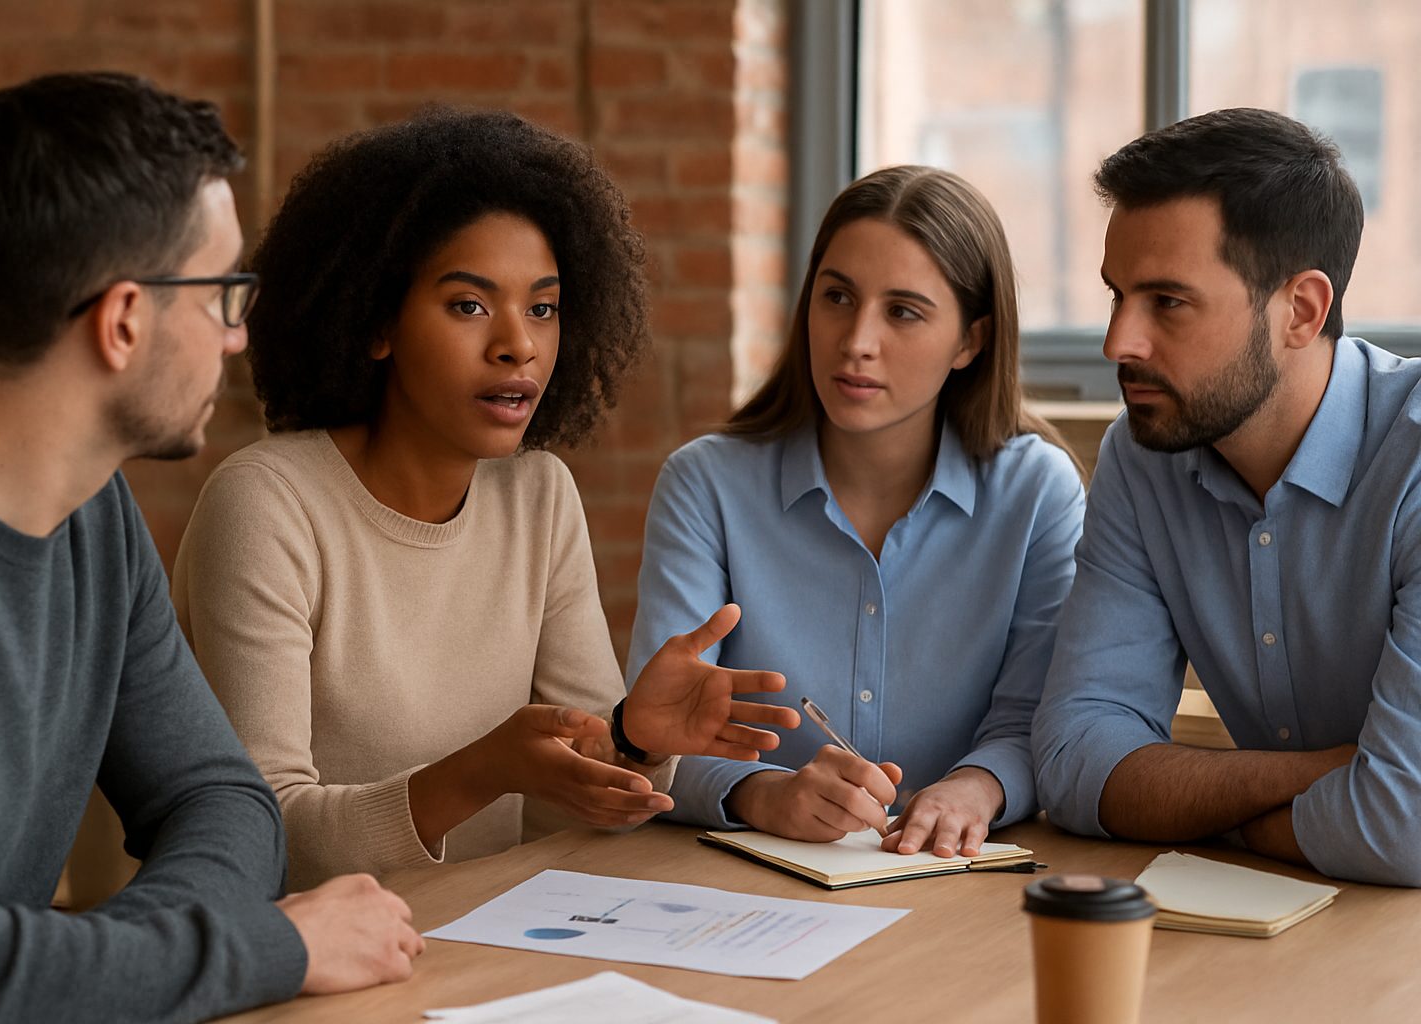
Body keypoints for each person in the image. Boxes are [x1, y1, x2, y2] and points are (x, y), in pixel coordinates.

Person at [0, 72, 425, 1023]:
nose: (236, 334)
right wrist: (272, 947)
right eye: (221, 292)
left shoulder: (93, 514)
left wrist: (123, 970)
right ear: (125, 319)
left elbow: (221, 800)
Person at [172, 107, 797, 890]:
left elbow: (568, 816)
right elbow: (262, 838)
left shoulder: (538, 497)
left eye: (542, 307)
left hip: (477, 943)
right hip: (286, 965)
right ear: (376, 322)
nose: (519, 344)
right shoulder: (267, 506)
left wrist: (633, 738)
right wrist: (478, 773)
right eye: (470, 305)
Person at [625, 166, 1086, 858]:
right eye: (837, 296)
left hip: (958, 882)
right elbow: (662, 733)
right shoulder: (706, 486)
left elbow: (1038, 721)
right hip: (745, 882)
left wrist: (976, 786)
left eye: (903, 311)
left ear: (971, 341)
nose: (856, 341)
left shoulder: (1037, 493)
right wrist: (763, 795)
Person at [1031, 107, 1421, 887]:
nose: (1118, 344)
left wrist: (1202, 809)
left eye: (1167, 303)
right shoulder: (1144, 457)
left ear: (1301, 312)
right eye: (1117, 296)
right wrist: (1338, 778)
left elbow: (1402, 825)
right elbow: (1076, 762)